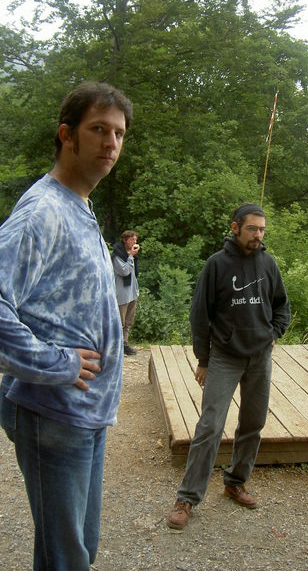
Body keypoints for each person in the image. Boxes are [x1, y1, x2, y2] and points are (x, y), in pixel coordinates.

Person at [0, 81, 133, 571]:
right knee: (67, 558)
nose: (111, 142)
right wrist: (59, 364)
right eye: (98, 129)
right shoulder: (43, 211)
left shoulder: (78, 204)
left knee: (78, 548)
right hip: (52, 411)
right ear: (67, 135)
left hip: (85, 414)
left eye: (118, 133)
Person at [167, 203, 290, 530]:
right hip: (224, 356)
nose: (258, 235)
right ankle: (187, 497)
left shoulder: (268, 264)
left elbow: (282, 306)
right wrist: (203, 359)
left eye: (262, 229)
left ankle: (235, 481)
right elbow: (200, 315)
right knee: (210, 426)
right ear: (235, 228)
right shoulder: (217, 265)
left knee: (253, 422)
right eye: (252, 229)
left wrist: (273, 334)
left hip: (260, 357)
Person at [112, 229, 140, 355]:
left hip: (132, 293)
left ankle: (125, 344)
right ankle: (116, 346)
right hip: (122, 294)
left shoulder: (130, 255)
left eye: (135, 239)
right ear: (124, 240)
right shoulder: (117, 255)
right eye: (132, 239)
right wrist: (131, 256)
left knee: (128, 322)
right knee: (120, 322)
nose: (134, 242)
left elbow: (133, 274)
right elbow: (124, 271)